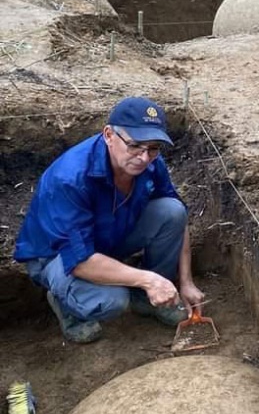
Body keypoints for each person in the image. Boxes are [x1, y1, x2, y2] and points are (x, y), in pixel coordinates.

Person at [14, 96, 204, 343]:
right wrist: (149, 279)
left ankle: (150, 298)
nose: (144, 157)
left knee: (172, 211)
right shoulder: (70, 179)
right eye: (135, 145)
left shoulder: (149, 162)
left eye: (153, 148)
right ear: (108, 135)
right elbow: (80, 261)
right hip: (57, 256)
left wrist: (185, 282)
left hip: (107, 236)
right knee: (113, 300)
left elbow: (179, 217)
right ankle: (67, 304)